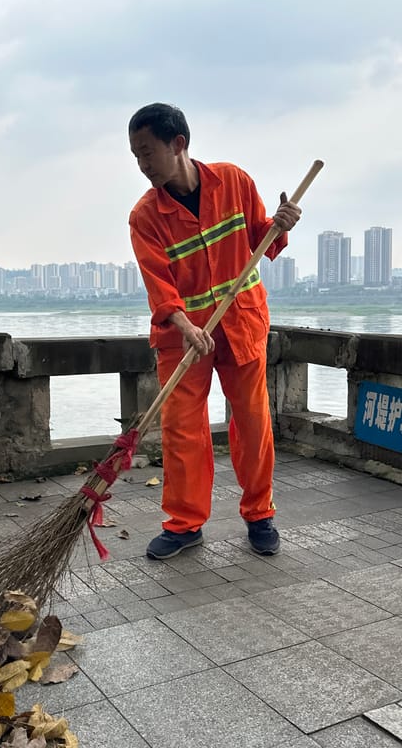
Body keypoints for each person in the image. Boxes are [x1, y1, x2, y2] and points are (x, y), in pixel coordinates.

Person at [128, 102, 301, 559]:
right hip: (182, 337)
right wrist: (186, 325)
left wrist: (280, 225)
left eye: (148, 153)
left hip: (242, 323)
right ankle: (184, 524)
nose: (143, 165)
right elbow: (158, 284)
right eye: (136, 157)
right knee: (182, 429)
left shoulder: (234, 182)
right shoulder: (145, 216)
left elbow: (262, 237)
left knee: (252, 421)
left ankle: (260, 514)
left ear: (178, 143)